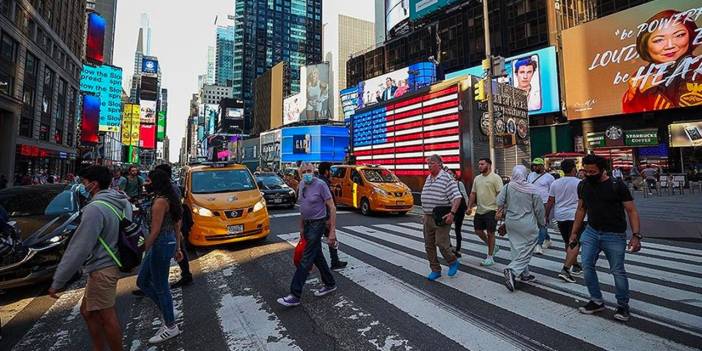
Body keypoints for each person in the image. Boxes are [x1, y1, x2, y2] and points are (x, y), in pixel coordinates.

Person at [48, 165, 132, 351]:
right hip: (112, 263)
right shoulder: (121, 200)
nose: (82, 186)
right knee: (87, 311)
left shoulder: (94, 209)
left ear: (94, 184)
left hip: (103, 268)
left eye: (84, 182)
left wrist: (59, 280)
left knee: (106, 316)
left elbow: (79, 248)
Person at [571, 154, 641, 322]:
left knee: (617, 270)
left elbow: (631, 210)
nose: (588, 175)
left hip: (614, 234)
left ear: (602, 170)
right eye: (585, 171)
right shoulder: (583, 185)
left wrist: (636, 235)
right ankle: (596, 300)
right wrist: (574, 232)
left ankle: (623, 305)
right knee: (587, 266)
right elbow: (581, 209)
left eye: (592, 171)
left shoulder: (617, 185)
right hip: (591, 231)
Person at [277, 163, 338, 307]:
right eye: (304, 172)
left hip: (318, 224)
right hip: (308, 224)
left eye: (309, 171)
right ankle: (330, 283)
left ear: (314, 171)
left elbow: (332, 207)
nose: (307, 174)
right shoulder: (302, 184)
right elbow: (303, 208)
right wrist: (302, 227)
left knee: (306, 258)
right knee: (317, 256)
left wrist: (332, 231)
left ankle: (295, 294)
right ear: (300, 173)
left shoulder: (321, 185)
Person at [136, 169, 184, 343]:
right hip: (167, 242)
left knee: (161, 285)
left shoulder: (160, 202)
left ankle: (170, 326)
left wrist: (141, 250)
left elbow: (155, 231)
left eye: (149, 180)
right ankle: (168, 309)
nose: (146, 183)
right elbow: (178, 223)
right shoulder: (170, 198)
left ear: (156, 183)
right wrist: (177, 247)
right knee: (142, 281)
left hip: (161, 243)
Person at [622, 10, 702, 113]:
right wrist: (632, 95)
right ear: (645, 44)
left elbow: (685, 117)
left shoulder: (698, 68)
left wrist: (650, 91)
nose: (670, 46)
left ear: (691, 35)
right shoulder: (642, 74)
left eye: (679, 35)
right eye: (659, 40)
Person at [496, 165, 545, 292]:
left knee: (517, 247)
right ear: (525, 174)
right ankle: (512, 270)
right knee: (529, 246)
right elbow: (539, 209)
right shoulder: (532, 189)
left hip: (511, 222)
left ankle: (525, 274)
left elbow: (499, 202)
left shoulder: (508, 187)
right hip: (527, 223)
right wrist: (542, 222)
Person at [420, 155, 461, 281]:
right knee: (429, 245)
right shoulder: (429, 177)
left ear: (439, 164)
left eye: (432, 163)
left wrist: (452, 213)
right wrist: (425, 212)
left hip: (442, 217)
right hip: (428, 217)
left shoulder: (446, 178)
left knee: (441, 243)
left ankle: (452, 261)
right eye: (428, 163)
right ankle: (435, 269)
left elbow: (457, 197)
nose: (429, 165)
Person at [545, 159, 584, 283]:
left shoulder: (555, 183)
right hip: (576, 216)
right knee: (575, 242)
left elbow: (550, 201)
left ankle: (576, 265)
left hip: (560, 216)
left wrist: (546, 216)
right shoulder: (580, 183)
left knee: (568, 241)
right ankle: (566, 270)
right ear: (574, 169)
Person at [467, 158, 503, 266]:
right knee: (478, 231)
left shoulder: (496, 178)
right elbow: (473, 194)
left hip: (492, 210)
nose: (480, 166)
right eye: (479, 164)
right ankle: (493, 246)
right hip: (480, 209)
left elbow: (500, 195)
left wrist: (500, 210)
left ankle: (490, 257)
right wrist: (469, 207)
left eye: (482, 164)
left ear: (489, 165)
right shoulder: (477, 178)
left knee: (491, 233)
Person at [317, 162, 347, 269]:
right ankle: (333, 262)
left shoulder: (320, 181)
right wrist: (328, 217)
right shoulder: (323, 183)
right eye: (330, 171)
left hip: (320, 217)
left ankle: (335, 261)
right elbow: (325, 202)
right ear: (326, 171)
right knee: (327, 240)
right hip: (324, 217)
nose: (331, 173)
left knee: (328, 240)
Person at [527, 158, 555, 254]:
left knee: (542, 224)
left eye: (537, 165)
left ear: (542, 166)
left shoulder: (549, 177)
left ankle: (539, 244)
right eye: (534, 165)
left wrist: (552, 205)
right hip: (532, 202)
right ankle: (547, 239)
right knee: (537, 224)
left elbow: (553, 192)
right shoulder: (530, 175)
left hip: (544, 203)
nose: (534, 166)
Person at [449, 169, 469, 258]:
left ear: (454, 175)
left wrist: (468, 207)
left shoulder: (459, 184)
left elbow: (464, 195)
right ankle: (449, 248)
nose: (449, 175)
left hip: (460, 209)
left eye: (450, 174)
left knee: (457, 229)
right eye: (447, 174)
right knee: (446, 230)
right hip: (449, 209)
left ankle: (458, 249)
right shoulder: (446, 185)